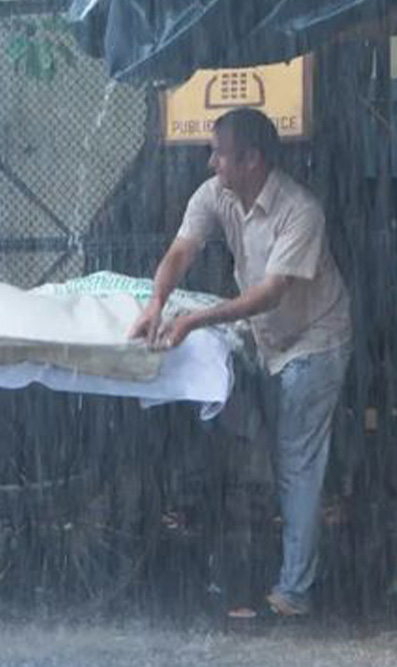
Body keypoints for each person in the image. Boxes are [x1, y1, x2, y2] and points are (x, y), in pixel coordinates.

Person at [129, 107, 352, 617]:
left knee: (297, 463)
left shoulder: (300, 211)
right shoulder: (216, 194)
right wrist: (157, 301)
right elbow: (181, 251)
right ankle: (272, 552)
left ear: (252, 160)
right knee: (258, 440)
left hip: (314, 341)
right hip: (264, 338)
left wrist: (194, 319)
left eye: (220, 154)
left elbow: (271, 292)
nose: (211, 163)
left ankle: (294, 592)